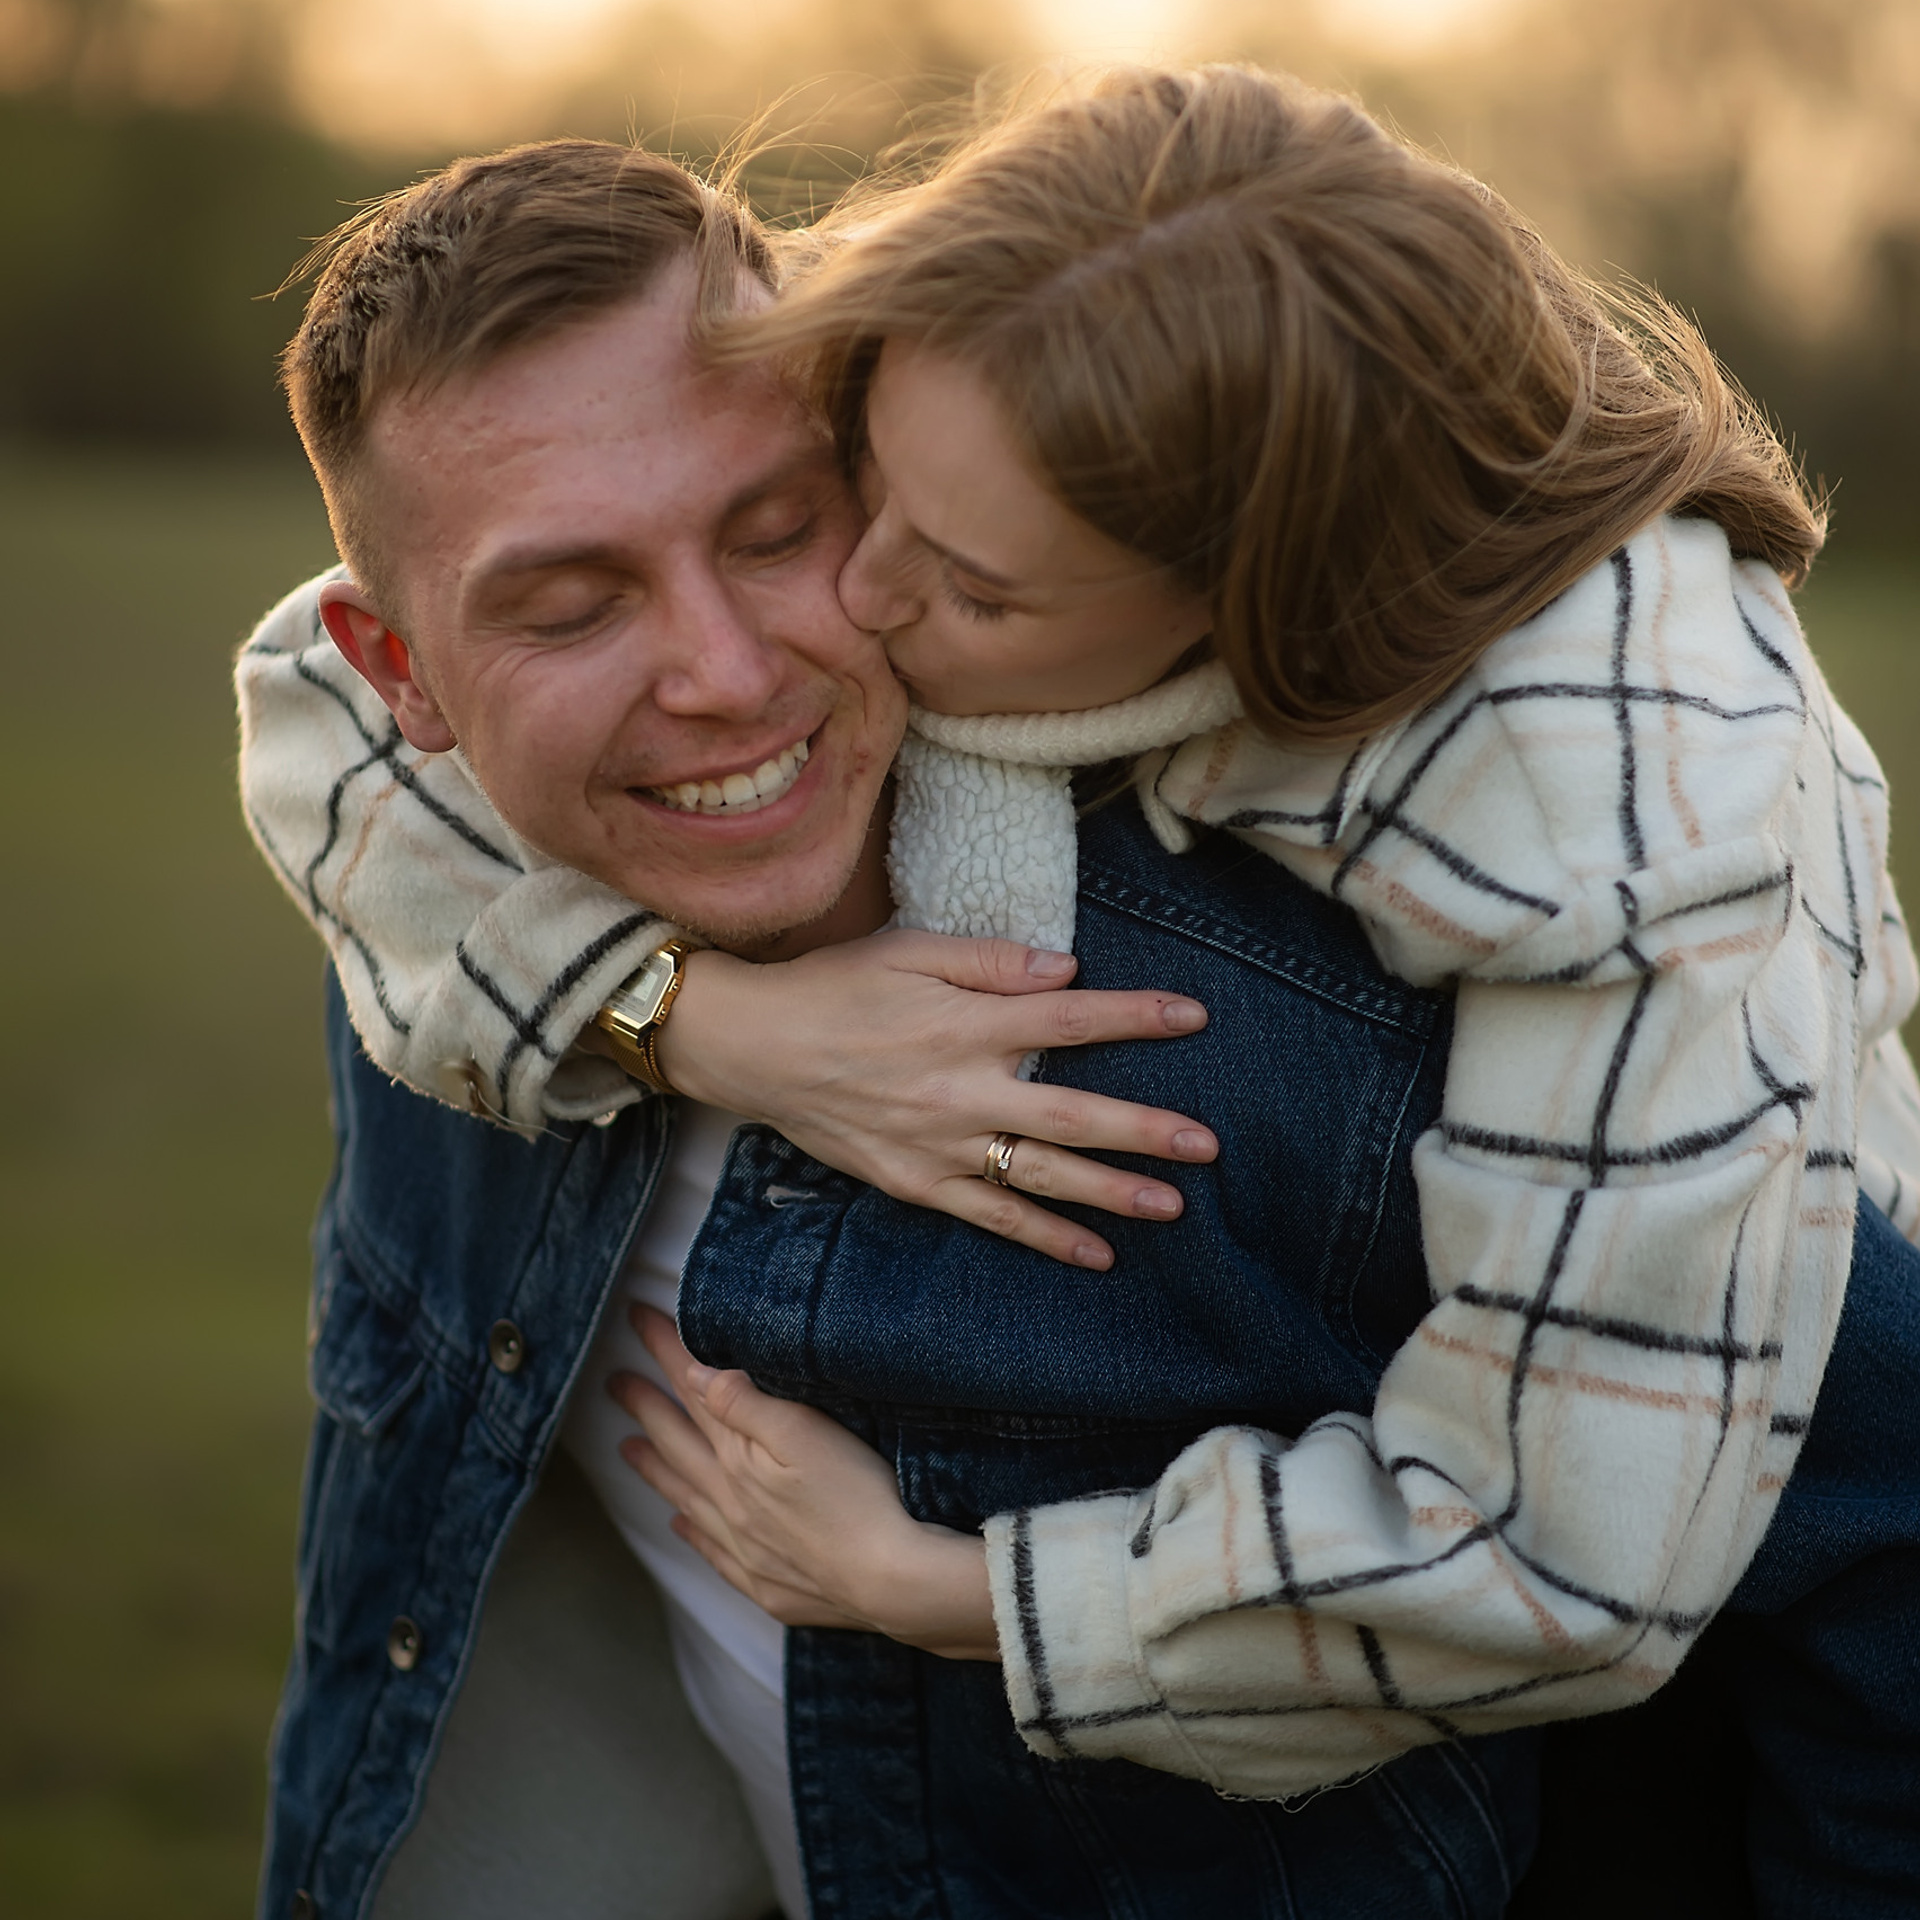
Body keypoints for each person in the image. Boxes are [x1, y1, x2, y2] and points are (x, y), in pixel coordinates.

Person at [242, 71, 1920, 1919]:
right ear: (409, 672)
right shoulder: (438, 916)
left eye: (788, 526)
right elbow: (297, 712)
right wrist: (687, 1019)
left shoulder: (1417, 1001)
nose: (748, 663)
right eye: (568, 608)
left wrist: (962, 1597)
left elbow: (1801, 1526)